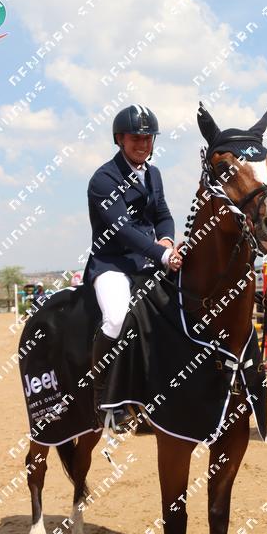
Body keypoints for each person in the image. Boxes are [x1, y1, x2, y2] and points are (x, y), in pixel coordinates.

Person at [83, 104, 183, 428]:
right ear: (120, 139)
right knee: (116, 319)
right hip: (112, 263)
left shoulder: (154, 174)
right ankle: (101, 397)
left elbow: (163, 215)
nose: (143, 144)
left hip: (148, 260)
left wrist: (166, 240)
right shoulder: (103, 179)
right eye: (136, 138)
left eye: (148, 138)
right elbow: (122, 230)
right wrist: (162, 255)